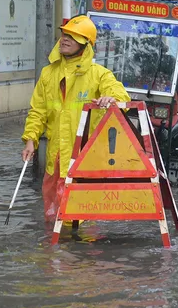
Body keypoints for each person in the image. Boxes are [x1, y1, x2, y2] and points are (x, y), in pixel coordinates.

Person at [21, 15, 130, 224]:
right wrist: (30, 140)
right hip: (56, 159)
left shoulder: (99, 74)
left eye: (73, 36)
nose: (65, 39)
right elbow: (38, 111)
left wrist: (112, 99)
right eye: (64, 34)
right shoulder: (48, 74)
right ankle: (55, 254)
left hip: (84, 160)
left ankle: (80, 255)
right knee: (53, 219)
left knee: (83, 221)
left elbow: (121, 95)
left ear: (86, 45)